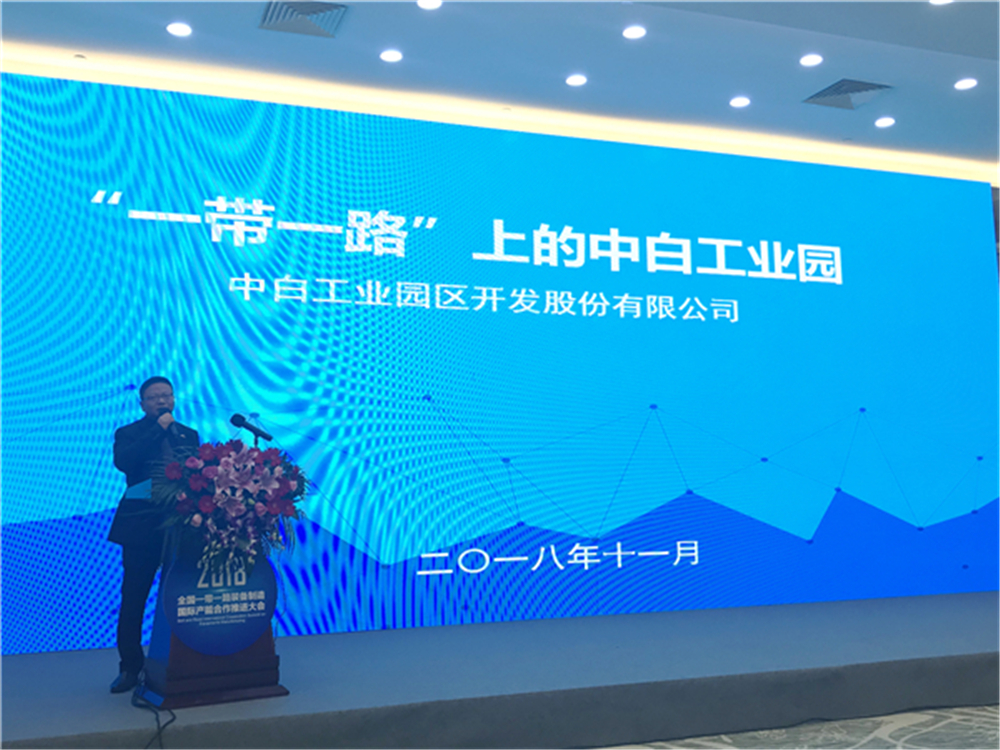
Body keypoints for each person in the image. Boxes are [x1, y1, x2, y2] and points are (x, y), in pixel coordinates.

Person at [107, 376, 199, 693]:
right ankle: (130, 668)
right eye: (154, 397)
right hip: (140, 528)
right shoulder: (128, 433)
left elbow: (195, 476)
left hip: (182, 527)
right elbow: (126, 464)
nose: (162, 401)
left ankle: (185, 662)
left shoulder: (188, 434)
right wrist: (158, 429)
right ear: (142, 404)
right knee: (134, 599)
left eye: (167, 395)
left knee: (183, 596)